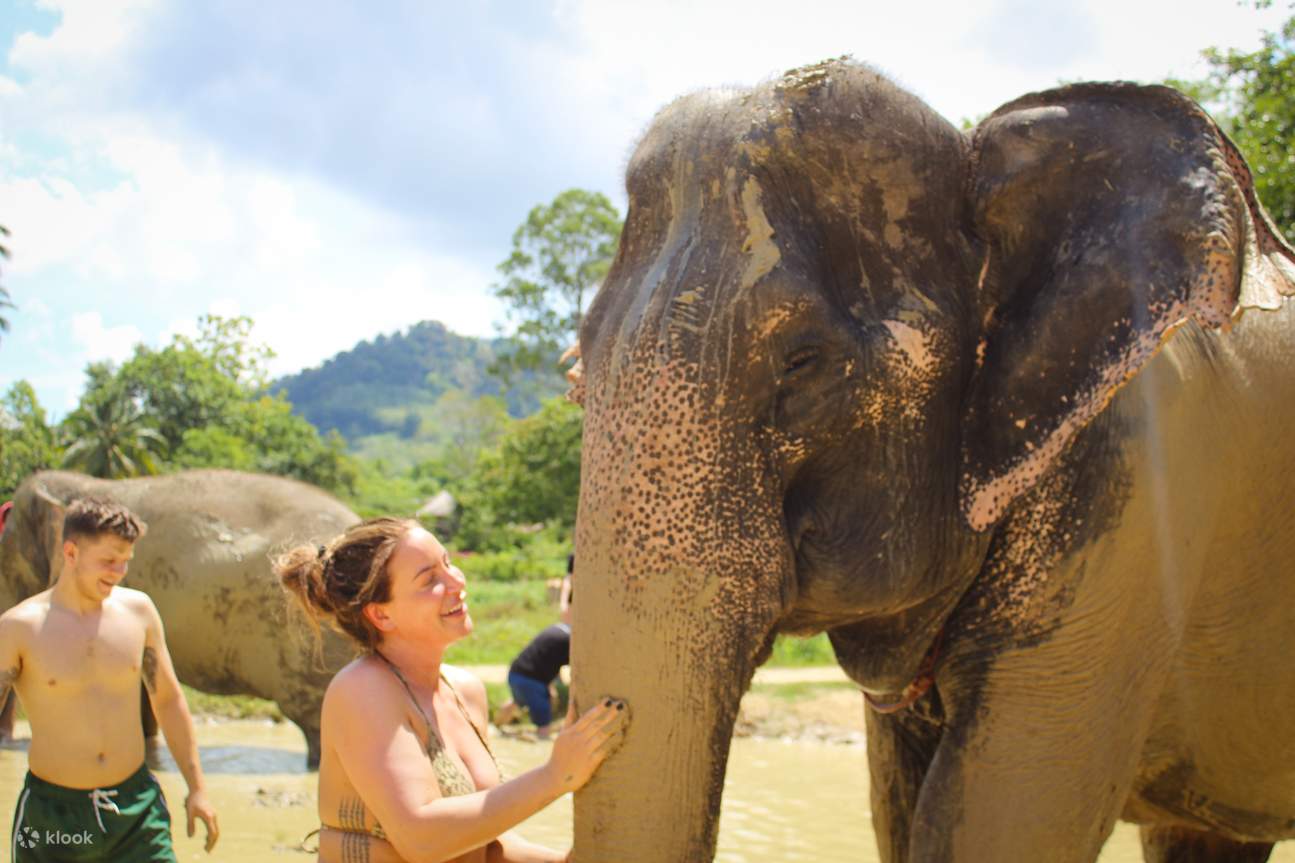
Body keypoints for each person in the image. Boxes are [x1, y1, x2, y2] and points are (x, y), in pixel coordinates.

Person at [276, 518, 627, 863]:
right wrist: (555, 776)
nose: (456, 580)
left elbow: (485, 843)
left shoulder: (465, 691)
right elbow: (422, 839)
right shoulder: (362, 690)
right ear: (381, 616)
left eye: (448, 563)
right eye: (430, 580)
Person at [0, 498, 219, 862]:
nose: (119, 571)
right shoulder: (20, 628)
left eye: (125, 561)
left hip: (136, 808)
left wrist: (197, 789)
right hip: (53, 813)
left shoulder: (139, 612)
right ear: (71, 553)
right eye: (108, 560)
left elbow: (167, 700)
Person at [495, 622, 571, 740]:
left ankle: (495, 729)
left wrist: (551, 686)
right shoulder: (570, 641)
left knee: (516, 701)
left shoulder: (559, 628)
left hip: (515, 672)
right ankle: (542, 738)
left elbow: (548, 658)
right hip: (531, 680)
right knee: (544, 727)